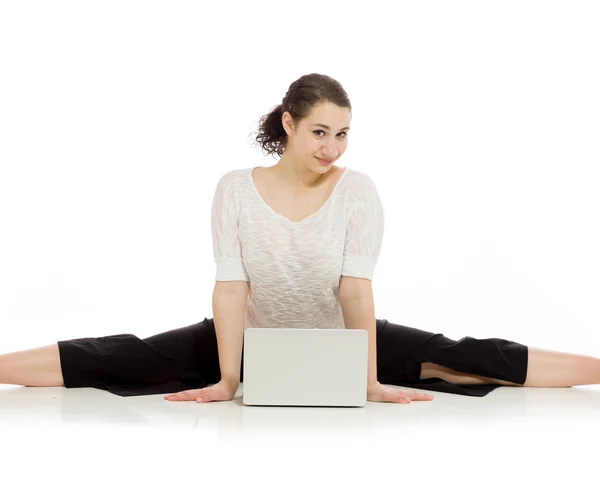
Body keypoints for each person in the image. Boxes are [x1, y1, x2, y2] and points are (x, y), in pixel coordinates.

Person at [1, 73, 599, 405]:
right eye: (319, 131)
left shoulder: (356, 189)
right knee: (124, 356)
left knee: (467, 357)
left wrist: (365, 379)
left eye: (342, 134)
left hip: (342, 342)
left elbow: (356, 293)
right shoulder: (235, 188)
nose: (330, 148)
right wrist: (229, 379)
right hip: (248, 340)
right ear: (288, 123)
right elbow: (231, 290)